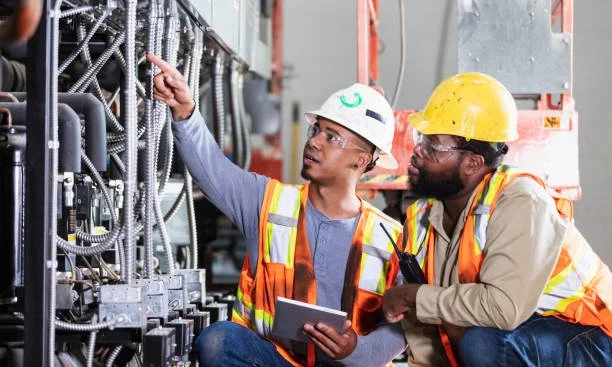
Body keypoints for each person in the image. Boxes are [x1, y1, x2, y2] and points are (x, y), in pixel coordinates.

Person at [148, 53, 408, 366]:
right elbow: (213, 170)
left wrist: (355, 352)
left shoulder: (390, 238)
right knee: (220, 341)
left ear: (361, 160)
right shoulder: (268, 201)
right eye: (317, 131)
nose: (314, 143)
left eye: (332, 136)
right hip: (274, 358)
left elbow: (401, 329)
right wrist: (185, 111)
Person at [382, 71, 612, 367]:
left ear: (472, 163)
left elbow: (503, 308)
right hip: (534, 337)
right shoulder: (428, 217)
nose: (416, 152)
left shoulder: (521, 200)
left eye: (433, 144)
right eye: (420, 139)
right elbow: (435, 332)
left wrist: (414, 297)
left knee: (484, 340)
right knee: (469, 328)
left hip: (595, 337)